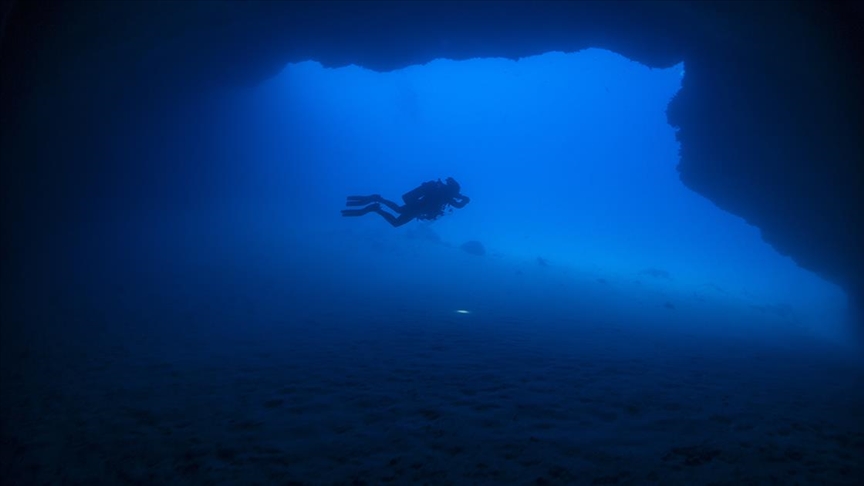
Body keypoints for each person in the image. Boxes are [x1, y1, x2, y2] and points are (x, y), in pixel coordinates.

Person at [341, 177, 470, 227]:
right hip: (419, 209)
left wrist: (463, 199)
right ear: (453, 191)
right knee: (396, 222)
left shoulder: (443, 193)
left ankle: (377, 200)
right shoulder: (446, 196)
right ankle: (376, 207)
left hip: (417, 206)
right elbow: (458, 205)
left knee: (398, 210)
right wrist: (466, 200)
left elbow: (457, 203)